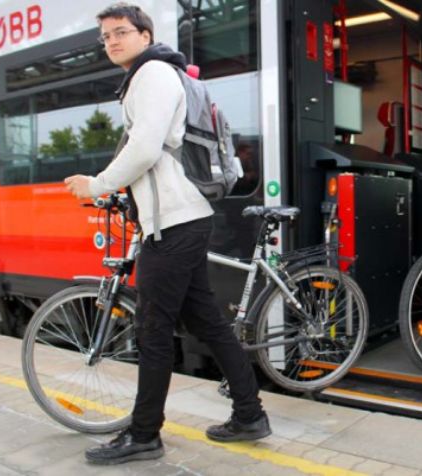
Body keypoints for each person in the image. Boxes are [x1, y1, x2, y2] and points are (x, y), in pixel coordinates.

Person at [64, 3, 270, 465]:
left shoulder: (151, 74)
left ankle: (143, 435)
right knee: (207, 322)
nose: (111, 42)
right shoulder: (157, 74)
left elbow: (145, 147)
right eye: (105, 37)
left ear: (143, 34)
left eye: (120, 32)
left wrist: (96, 184)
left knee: (153, 329)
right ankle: (249, 414)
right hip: (184, 218)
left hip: (175, 225)